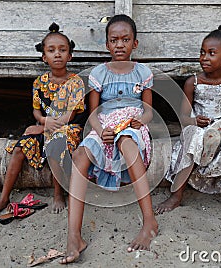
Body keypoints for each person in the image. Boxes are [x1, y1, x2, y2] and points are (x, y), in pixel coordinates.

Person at [59, 14, 158, 264]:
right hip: (105, 125)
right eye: (114, 40)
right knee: (80, 155)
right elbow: (93, 112)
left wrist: (141, 122)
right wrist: (99, 129)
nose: (120, 45)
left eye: (126, 39)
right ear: (107, 45)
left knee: (126, 142)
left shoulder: (143, 72)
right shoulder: (99, 73)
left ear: (135, 43)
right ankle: (74, 236)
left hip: (132, 124)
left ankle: (149, 221)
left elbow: (148, 110)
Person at [154, 24, 221, 226]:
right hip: (197, 129)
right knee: (195, 134)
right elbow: (184, 117)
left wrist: (220, 126)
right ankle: (176, 196)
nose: (204, 58)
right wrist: (195, 121)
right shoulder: (192, 82)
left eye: (212, 53)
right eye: (202, 52)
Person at [0, 22, 85, 218]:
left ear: (70, 56)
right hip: (46, 125)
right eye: (52, 50)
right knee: (20, 149)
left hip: (68, 129)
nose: (57, 54)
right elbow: (36, 111)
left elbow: (69, 115)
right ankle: (4, 197)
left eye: (62, 50)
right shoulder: (39, 83)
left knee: (56, 143)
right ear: (44, 57)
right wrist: (43, 123)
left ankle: (58, 193)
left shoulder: (76, 82)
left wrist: (42, 128)